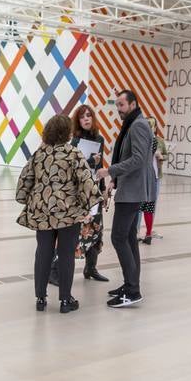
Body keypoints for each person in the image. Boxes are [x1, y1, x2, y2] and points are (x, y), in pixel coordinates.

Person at [17, 113, 100, 313]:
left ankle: (40, 299)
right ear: (67, 133)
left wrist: (26, 199)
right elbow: (85, 180)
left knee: (43, 252)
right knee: (66, 254)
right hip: (68, 212)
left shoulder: (39, 154)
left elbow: (24, 179)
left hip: (42, 211)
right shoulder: (73, 153)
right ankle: (65, 300)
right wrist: (92, 202)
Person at [96, 89, 156, 308]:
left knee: (119, 237)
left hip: (133, 191)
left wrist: (110, 171)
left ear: (132, 104)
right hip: (130, 187)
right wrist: (116, 180)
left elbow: (139, 160)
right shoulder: (134, 123)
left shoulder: (138, 125)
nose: (118, 109)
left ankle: (132, 290)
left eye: (121, 105)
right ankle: (130, 284)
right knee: (129, 238)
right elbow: (130, 155)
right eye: (117, 105)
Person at [72, 104, 110, 282]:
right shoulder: (74, 142)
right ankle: (56, 268)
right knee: (77, 230)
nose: (86, 119)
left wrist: (103, 189)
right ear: (78, 121)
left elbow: (99, 167)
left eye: (89, 115)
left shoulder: (99, 139)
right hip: (80, 193)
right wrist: (88, 160)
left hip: (95, 189)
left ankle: (91, 268)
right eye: (82, 116)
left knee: (97, 228)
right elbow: (73, 169)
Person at [139, 116, 167, 244]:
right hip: (148, 177)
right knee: (146, 206)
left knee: (146, 206)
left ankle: (148, 232)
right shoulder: (151, 141)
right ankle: (141, 232)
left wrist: (161, 156)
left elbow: (165, 155)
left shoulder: (155, 141)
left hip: (152, 176)